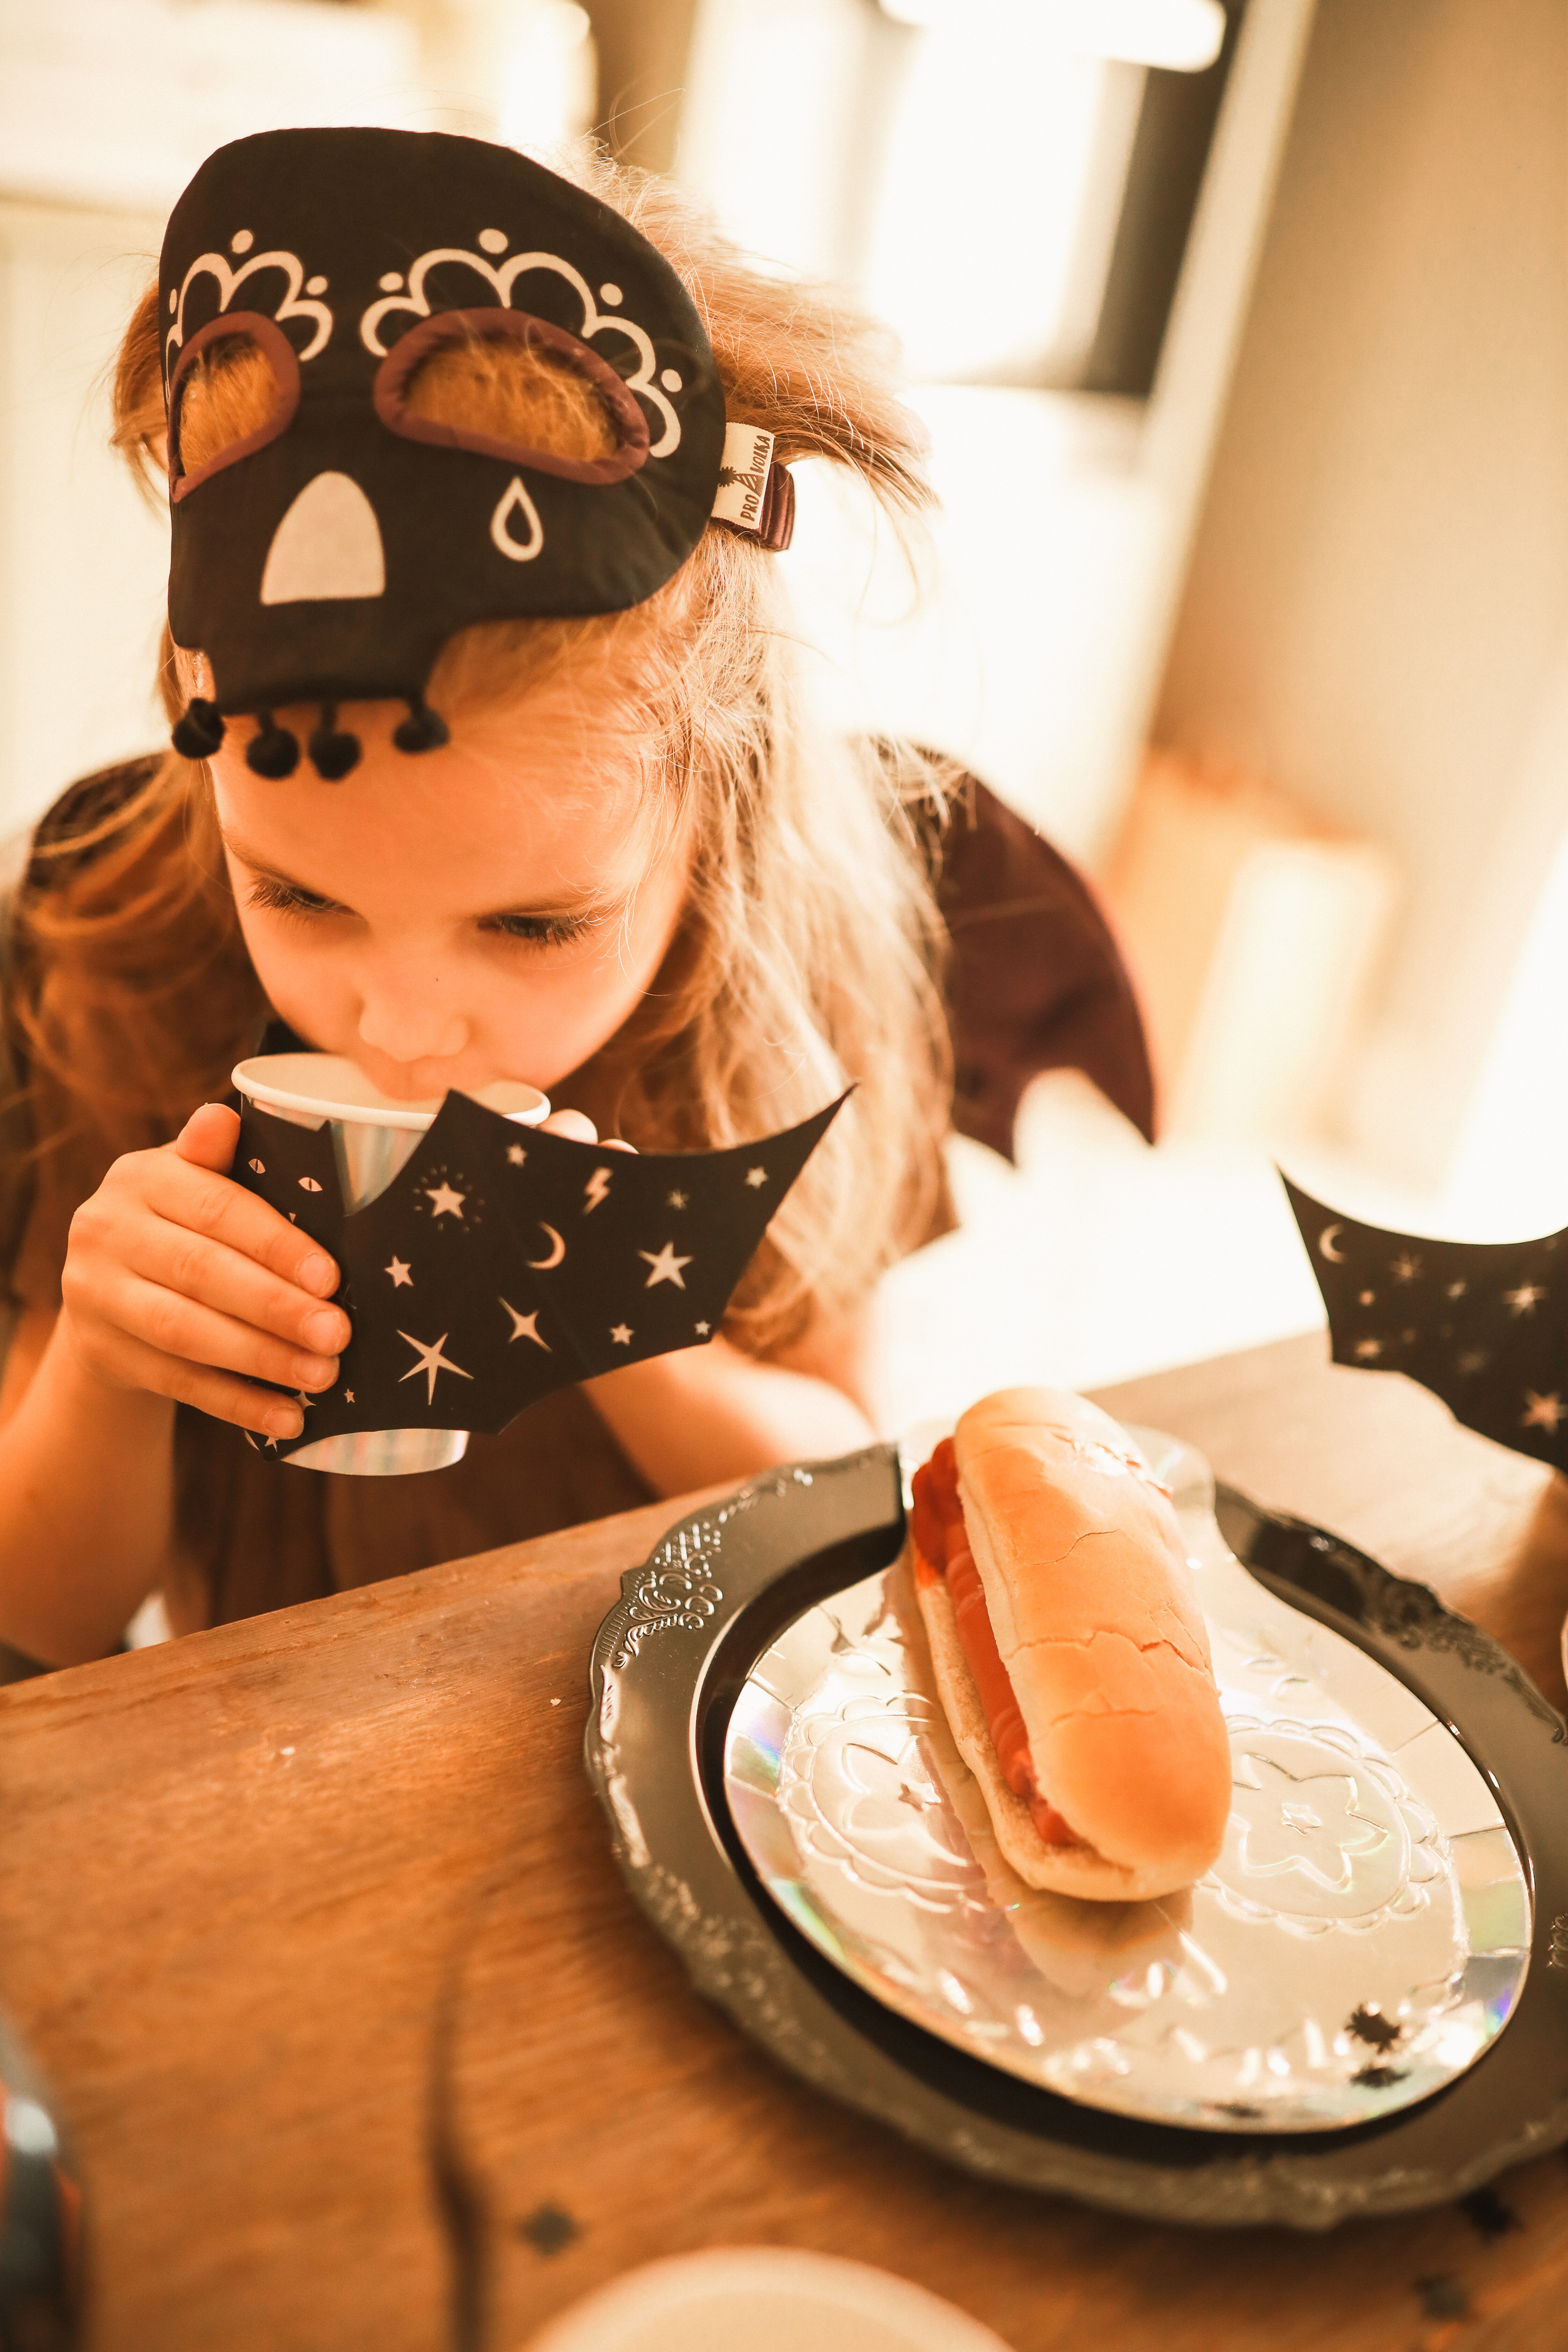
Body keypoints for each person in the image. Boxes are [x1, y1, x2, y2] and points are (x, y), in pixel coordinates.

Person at [0, 129, 1152, 1670]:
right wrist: (103, 1360)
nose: (403, 1030)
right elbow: (39, 1617)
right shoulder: (122, 955)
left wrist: (626, 1323)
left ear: (713, 817)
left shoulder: (795, 1003)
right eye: (294, 892)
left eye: (534, 925)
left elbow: (841, 1478)